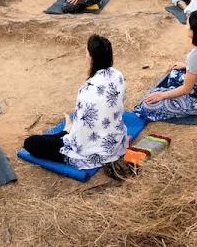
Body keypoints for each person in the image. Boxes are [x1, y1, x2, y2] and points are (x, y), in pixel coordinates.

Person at [23, 35, 127, 168]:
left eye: (86, 51)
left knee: (30, 142)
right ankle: (66, 131)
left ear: (90, 58)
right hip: (116, 145)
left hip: (90, 155)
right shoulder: (118, 76)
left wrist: (69, 135)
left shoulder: (87, 91)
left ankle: (66, 131)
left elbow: (80, 138)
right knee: (55, 138)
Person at [134, 11, 197, 121]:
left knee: (148, 105)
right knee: (174, 72)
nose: (186, 27)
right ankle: (169, 92)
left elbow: (186, 89)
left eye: (188, 25)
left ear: (194, 32)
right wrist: (185, 66)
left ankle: (172, 98)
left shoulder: (195, 55)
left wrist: (162, 95)